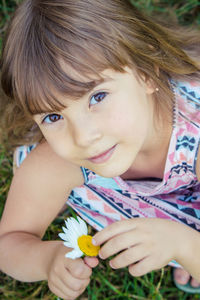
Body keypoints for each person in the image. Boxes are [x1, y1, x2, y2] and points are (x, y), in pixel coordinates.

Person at [0, 0, 200, 298]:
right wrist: (45, 260)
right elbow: (8, 242)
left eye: (98, 97)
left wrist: (185, 245)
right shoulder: (58, 160)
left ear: (145, 74)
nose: (83, 137)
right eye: (53, 117)